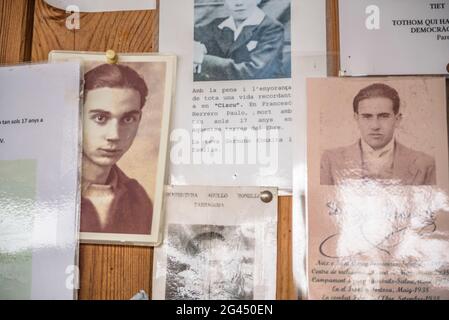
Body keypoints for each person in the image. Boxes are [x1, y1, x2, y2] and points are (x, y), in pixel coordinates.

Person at [80, 63, 153, 234]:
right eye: (100, 118)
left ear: (139, 120)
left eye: (128, 119)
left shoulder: (138, 198)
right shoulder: (46, 189)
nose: (114, 135)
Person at [321, 83, 436, 186]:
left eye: (383, 116)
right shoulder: (331, 160)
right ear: (356, 118)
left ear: (397, 119)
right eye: (367, 116)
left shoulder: (425, 164)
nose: (375, 126)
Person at [193, 0, 286, 81]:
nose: (239, 3)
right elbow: (188, 35)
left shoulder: (272, 29)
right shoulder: (217, 25)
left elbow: (252, 72)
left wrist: (201, 59)